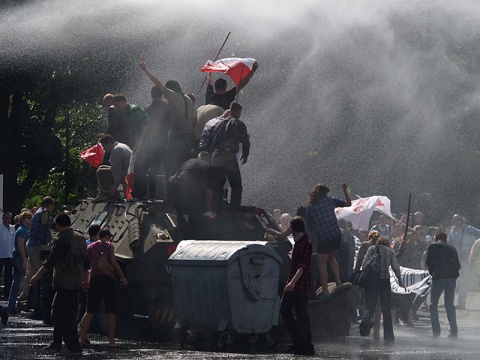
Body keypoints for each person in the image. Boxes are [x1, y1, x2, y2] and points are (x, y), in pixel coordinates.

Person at [30, 213, 89, 355]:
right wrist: (85, 279)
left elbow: (51, 261)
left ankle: (74, 346)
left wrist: (36, 276)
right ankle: (56, 342)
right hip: (75, 280)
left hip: (64, 281)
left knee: (67, 314)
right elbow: (86, 262)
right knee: (57, 311)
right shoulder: (80, 238)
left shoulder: (62, 239)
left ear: (58, 225)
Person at [139, 57, 195, 177]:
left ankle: (171, 193)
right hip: (189, 136)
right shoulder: (188, 99)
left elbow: (159, 84)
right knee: (185, 167)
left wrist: (145, 70)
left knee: (171, 167)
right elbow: (193, 118)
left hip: (177, 137)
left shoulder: (174, 96)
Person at [79, 228, 128, 348]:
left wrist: (84, 280)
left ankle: (81, 338)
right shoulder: (109, 246)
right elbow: (114, 262)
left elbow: (85, 263)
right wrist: (122, 277)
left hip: (94, 280)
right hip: (107, 280)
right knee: (110, 311)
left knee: (89, 311)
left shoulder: (90, 247)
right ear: (107, 236)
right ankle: (111, 341)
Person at [198, 102, 250, 214]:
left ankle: (217, 208)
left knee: (217, 183)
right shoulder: (239, 124)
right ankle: (234, 210)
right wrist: (245, 155)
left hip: (216, 155)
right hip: (228, 155)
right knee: (236, 184)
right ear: (238, 112)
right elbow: (245, 140)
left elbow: (211, 139)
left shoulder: (217, 123)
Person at [305, 183, 351, 301]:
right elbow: (348, 204)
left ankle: (325, 292)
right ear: (325, 193)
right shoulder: (330, 200)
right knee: (332, 257)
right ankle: (339, 281)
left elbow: (309, 226)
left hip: (323, 238)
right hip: (335, 235)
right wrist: (345, 190)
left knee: (322, 264)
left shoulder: (310, 207)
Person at [280, 216, 315, 356]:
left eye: (291, 228)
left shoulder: (306, 243)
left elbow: (303, 266)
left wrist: (292, 282)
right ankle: (298, 341)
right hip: (293, 283)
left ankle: (305, 344)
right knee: (285, 310)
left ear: (294, 228)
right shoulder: (299, 242)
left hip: (300, 284)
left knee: (302, 315)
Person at [359, 236, 404, 343]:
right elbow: (395, 267)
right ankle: (388, 336)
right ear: (387, 244)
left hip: (372, 281)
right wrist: (400, 281)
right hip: (384, 281)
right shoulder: (390, 251)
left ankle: (365, 322)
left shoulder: (371, 249)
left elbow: (365, 264)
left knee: (370, 306)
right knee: (386, 309)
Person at [168, 152, 217, 236]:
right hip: (190, 190)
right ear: (208, 160)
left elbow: (176, 175)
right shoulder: (208, 167)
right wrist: (208, 209)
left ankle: (179, 216)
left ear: (199, 157)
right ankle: (191, 233)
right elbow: (208, 191)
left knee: (172, 180)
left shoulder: (189, 161)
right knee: (195, 209)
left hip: (176, 186)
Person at [112, 94, 150, 199]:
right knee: (137, 167)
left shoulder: (134, 109)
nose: (117, 108)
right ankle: (138, 193)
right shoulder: (127, 113)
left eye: (117, 105)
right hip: (141, 142)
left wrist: (140, 142)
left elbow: (146, 125)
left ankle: (141, 194)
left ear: (122, 102)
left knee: (140, 167)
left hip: (148, 142)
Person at [19, 197, 54, 305]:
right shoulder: (44, 213)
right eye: (53, 206)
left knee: (30, 272)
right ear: (49, 205)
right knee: (41, 270)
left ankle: (25, 294)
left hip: (31, 245)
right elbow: (46, 229)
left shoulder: (38, 212)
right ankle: (39, 297)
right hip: (37, 246)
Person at [425, 231, 460, 338]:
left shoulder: (433, 247)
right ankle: (454, 331)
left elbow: (428, 263)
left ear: (436, 238)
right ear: (446, 239)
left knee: (433, 304)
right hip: (451, 278)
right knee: (449, 304)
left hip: (438, 277)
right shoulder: (452, 248)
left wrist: (433, 273)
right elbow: (458, 265)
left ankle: (436, 331)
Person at [447, 214, 480, 309]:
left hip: (466, 258)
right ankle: (450, 302)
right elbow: (449, 244)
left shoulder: (468, 229)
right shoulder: (452, 232)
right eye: (454, 219)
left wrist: (475, 248)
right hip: (456, 259)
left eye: (458, 219)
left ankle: (461, 303)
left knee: (464, 281)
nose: (456, 221)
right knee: (454, 281)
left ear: (462, 220)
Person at [144, 85, 170, 198]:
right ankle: (169, 195)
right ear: (162, 94)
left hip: (151, 142)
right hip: (165, 140)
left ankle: (151, 195)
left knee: (152, 168)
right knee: (168, 167)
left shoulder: (147, 108)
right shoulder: (166, 106)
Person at [93, 134, 132, 203]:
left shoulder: (115, 151)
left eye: (104, 146)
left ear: (108, 143)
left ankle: (113, 196)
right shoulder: (121, 145)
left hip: (127, 175)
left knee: (101, 172)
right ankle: (101, 194)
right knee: (102, 167)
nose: (104, 149)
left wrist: (114, 186)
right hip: (129, 171)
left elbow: (117, 170)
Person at [76, 224, 100, 330]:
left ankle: (77, 327)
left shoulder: (84, 244)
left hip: (81, 276)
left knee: (81, 305)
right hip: (92, 277)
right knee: (88, 307)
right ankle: (81, 328)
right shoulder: (97, 246)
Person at [8, 211, 32, 313]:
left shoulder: (25, 229)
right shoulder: (22, 230)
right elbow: (21, 245)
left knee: (16, 282)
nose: (31, 220)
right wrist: (24, 259)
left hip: (17, 257)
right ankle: (21, 302)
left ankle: (12, 305)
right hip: (19, 257)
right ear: (23, 220)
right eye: (28, 218)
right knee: (26, 280)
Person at [0, 211, 15, 299]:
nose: (8, 220)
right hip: (1, 254)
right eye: (6, 218)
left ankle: (7, 293)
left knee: (8, 275)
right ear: (3, 218)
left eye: (10, 218)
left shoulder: (12, 228)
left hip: (10, 254)